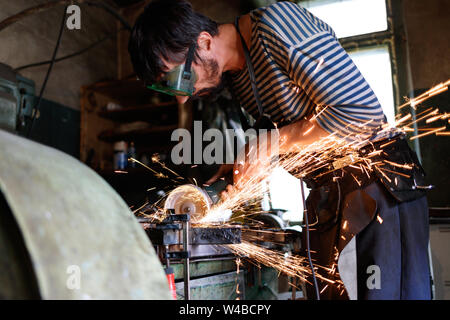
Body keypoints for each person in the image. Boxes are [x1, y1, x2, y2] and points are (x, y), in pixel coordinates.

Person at [128, 0, 432, 299]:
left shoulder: (277, 25)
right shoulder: (238, 80)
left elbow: (359, 114)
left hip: (376, 186)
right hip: (329, 194)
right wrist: (248, 160)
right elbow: (289, 137)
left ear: (205, 42)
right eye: (169, 89)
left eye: (179, 78)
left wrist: (270, 143)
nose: (182, 98)